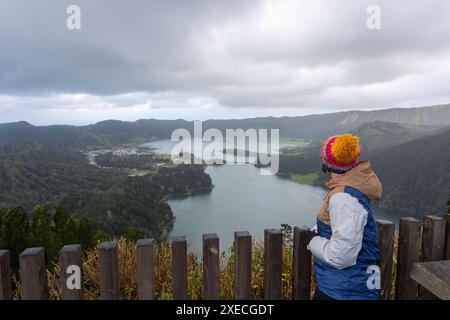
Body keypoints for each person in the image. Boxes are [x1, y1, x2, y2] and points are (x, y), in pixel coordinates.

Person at [307, 134, 382, 300]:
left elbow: (342, 256)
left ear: (326, 164)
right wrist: (322, 229)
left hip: (344, 290)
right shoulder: (353, 188)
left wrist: (313, 241)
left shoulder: (344, 198)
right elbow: (350, 228)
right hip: (351, 286)